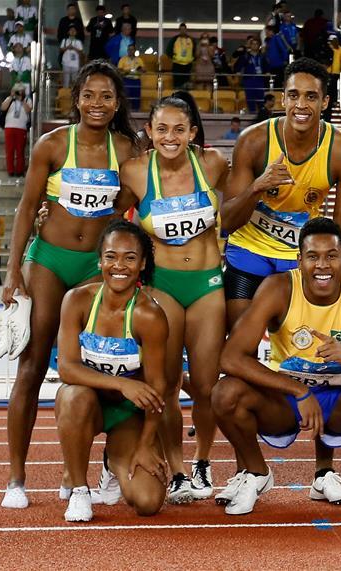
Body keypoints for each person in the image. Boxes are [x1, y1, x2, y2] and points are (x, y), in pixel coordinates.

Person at [0, 61, 140, 510]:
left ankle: (72, 471)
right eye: (89, 95)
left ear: (117, 104)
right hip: (50, 261)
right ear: (76, 99)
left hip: (98, 269)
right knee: (32, 365)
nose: (97, 103)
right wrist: (13, 270)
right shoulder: (53, 144)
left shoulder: (127, 149)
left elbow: (124, 209)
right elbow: (27, 208)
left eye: (106, 96)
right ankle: (16, 478)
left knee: (94, 370)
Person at [212, 217, 341, 515]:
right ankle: (257, 473)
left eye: (331, 256)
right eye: (313, 256)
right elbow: (230, 358)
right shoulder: (277, 288)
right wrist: (298, 390)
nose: (322, 265)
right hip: (285, 401)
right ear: (299, 260)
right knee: (225, 393)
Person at [114, 93, 230, 503]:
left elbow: (237, 207)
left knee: (205, 385)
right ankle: (177, 469)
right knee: (163, 386)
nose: (170, 137)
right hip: (161, 284)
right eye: (161, 129)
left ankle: (203, 462)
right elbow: (112, 217)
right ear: (149, 131)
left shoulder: (213, 164)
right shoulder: (134, 172)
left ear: (192, 133)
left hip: (206, 284)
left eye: (179, 129)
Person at [221, 58, 341, 343]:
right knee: (239, 343)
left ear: (324, 102)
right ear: (283, 98)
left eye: (311, 97)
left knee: (302, 347)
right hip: (249, 250)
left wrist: (339, 276)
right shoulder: (254, 141)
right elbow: (229, 221)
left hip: (300, 257)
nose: (301, 105)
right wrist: (257, 187)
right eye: (294, 95)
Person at [55, 220, 170, 522]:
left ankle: (112, 462)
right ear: (100, 260)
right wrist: (122, 383)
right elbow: (66, 368)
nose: (119, 265)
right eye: (111, 256)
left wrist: (146, 444)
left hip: (127, 414)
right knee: (73, 396)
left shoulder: (150, 315)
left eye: (129, 258)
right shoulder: (77, 301)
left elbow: (158, 387)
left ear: (142, 264)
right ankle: (79, 489)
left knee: (147, 502)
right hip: (87, 404)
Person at [1, 85, 32, 176]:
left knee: (20, 150)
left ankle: (19, 170)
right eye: (17, 90)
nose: (19, 92)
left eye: (20, 90)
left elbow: (28, 110)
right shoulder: (9, 99)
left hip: (21, 128)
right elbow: (3, 108)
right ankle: (10, 170)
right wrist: (11, 96)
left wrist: (22, 100)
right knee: (9, 150)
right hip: (9, 127)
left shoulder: (27, 100)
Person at [168, 23, 195, 90]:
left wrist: (193, 59)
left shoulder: (191, 39)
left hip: (188, 65)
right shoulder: (174, 39)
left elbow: (195, 50)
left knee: (186, 83)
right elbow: (168, 50)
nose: (183, 31)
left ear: (186, 30)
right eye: (181, 29)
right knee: (177, 83)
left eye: (184, 29)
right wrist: (173, 57)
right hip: (177, 64)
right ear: (179, 30)